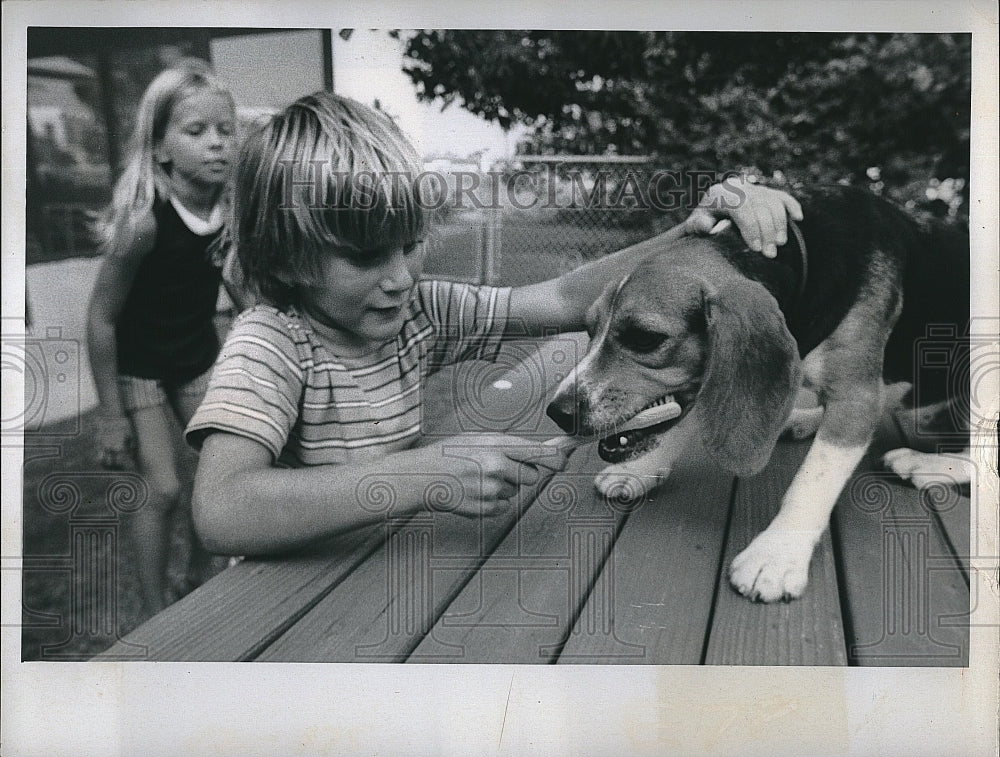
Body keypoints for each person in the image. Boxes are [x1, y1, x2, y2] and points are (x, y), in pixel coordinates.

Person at [185, 91, 801, 557]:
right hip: (279, 604)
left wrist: (687, 232)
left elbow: (559, 299)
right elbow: (220, 511)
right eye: (367, 256)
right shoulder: (271, 345)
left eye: (411, 244)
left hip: (377, 568)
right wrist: (426, 473)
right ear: (289, 257)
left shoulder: (419, 313)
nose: (400, 276)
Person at [86, 61, 236, 619]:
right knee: (165, 486)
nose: (217, 144)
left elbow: (236, 283)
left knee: (226, 466)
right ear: (162, 149)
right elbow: (100, 319)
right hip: (141, 367)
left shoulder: (228, 211)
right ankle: (152, 613)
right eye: (196, 132)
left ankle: (198, 579)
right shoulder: (144, 223)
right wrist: (110, 414)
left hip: (195, 356)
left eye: (225, 130)